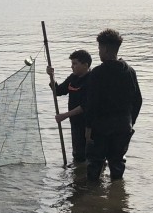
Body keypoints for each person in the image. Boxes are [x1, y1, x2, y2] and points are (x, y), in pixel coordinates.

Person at [80, 29, 142, 182]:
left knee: (95, 164)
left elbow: (92, 103)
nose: (99, 52)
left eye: (100, 48)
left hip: (100, 127)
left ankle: (92, 198)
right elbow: (138, 100)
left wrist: (88, 128)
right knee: (117, 163)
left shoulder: (97, 73)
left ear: (106, 49)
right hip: (123, 125)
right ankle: (118, 197)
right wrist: (130, 121)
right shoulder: (129, 71)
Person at [47, 49, 92, 164]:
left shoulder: (91, 80)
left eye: (75, 64)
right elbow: (58, 91)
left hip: (88, 125)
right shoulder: (73, 78)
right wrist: (51, 76)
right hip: (75, 123)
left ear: (85, 65)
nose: (72, 67)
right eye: (72, 64)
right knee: (77, 155)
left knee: (89, 156)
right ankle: (77, 173)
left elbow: (85, 106)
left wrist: (65, 115)